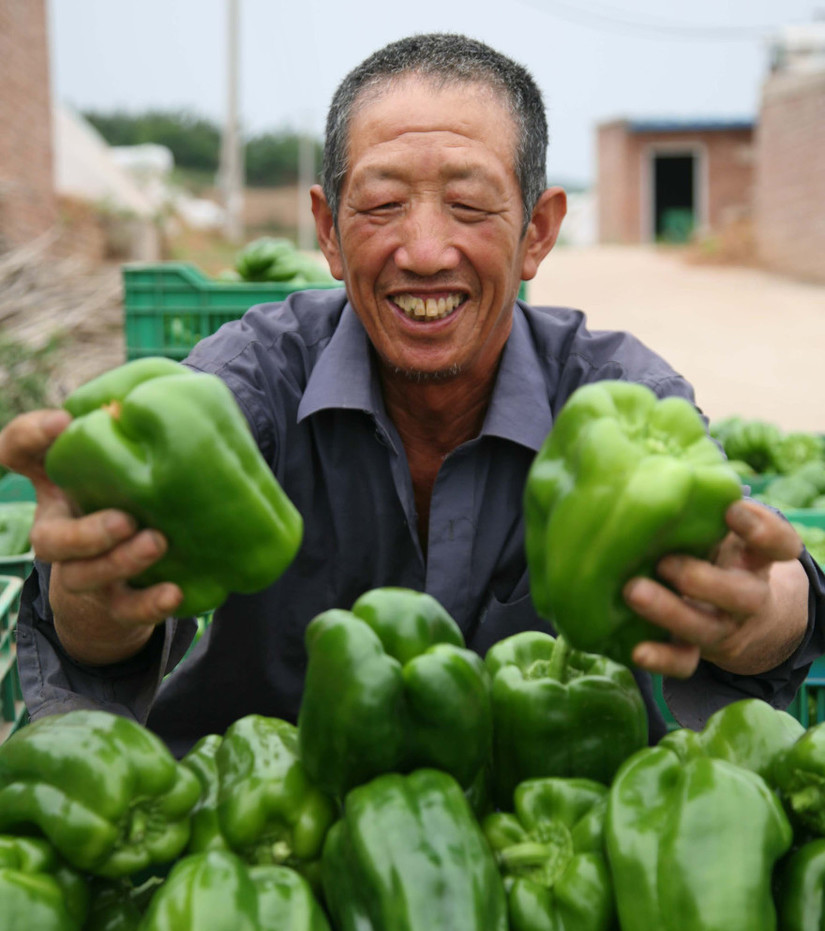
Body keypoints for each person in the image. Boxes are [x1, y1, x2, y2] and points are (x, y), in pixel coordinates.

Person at [0, 33, 821, 758]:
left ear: (537, 231)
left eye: (468, 205)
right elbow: (98, 633)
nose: (424, 251)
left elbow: (761, 575)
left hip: (526, 859)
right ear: (325, 229)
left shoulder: (615, 395)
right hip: (264, 857)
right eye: (382, 205)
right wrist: (91, 597)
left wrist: (758, 615)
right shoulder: (245, 383)